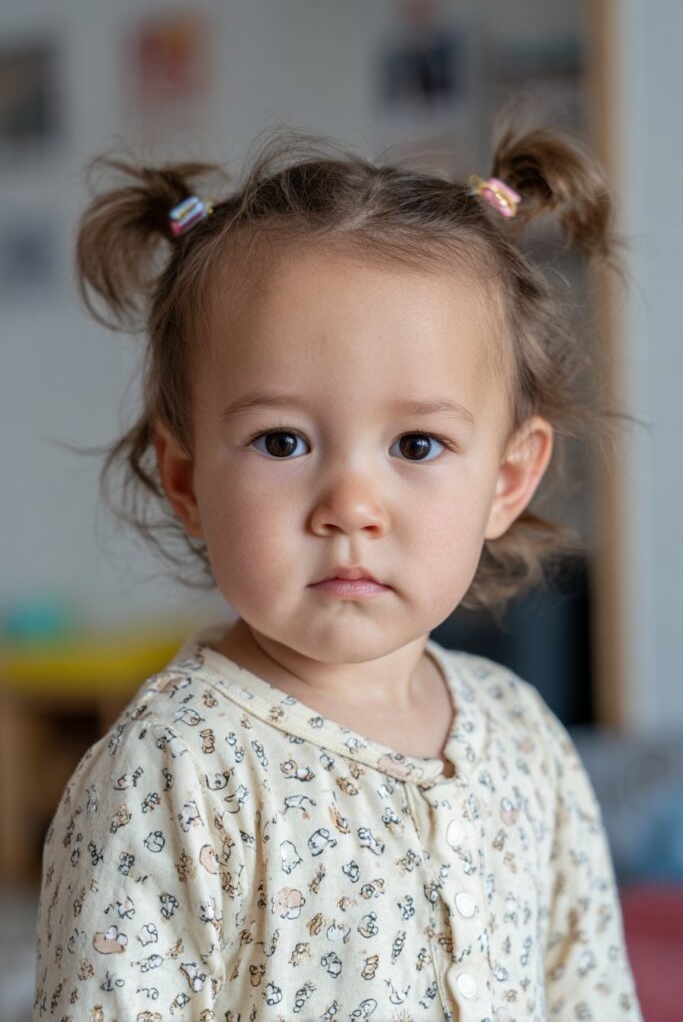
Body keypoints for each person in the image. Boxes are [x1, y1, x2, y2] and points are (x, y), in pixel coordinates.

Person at [33, 123, 643, 1021]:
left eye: (417, 443)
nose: (349, 504)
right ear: (187, 478)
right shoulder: (173, 770)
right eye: (282, 441)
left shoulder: (522, 736)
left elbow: (587, 992)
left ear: (507, 480)